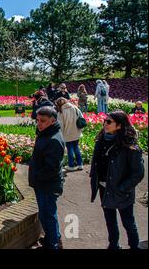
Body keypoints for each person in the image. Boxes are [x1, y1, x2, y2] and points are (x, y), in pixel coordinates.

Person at [90, 111, 145, 249]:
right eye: (105, 121)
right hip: (104, 188)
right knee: (110, 221)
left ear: (119, 125)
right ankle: (113, 245)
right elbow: (96, 163)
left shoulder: (129, 146)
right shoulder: (101, 140)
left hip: (121, 190)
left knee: (128, 222)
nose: (104, 124)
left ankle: (134, 246)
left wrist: (122, 188)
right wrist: (94, 177)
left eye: (109, 122)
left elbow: (138, 173)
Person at [28, 106, 65, 249]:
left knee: (47, 214)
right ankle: (53, 237)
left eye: (43, 121)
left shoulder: (54, 139)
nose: (39, 123)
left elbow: (52, 168)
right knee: (48, 213)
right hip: (44, 183)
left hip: (47, 185)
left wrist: (37, 177)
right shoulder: (47, 132)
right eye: (37, 120)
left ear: (53, 120)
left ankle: (52, 244)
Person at [55, 98, 83, 172]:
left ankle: (71, 165)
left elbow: (60, 126)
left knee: (69, 149)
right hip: (76, 132)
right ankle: (80, 164)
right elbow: (81, 118)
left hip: (67, 133)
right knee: (76, 147)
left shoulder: (61, 112)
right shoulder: (75, 108)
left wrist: (61, 135)